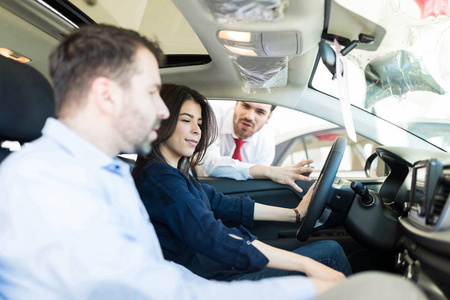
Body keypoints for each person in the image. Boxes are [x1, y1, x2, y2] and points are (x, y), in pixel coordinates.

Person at [0, 23, 335, 299]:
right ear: (106, 95)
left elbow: (159, 276)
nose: (162, 112)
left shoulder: (99, 174)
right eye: (150, 93)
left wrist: (295, 232)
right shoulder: (47, 186)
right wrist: (306, 286)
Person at [132, 84, 352, 283]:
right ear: (162, 120)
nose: (197, 130)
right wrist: (306, 264)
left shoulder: (176, 175)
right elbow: (212, 236)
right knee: (329, 255)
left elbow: (226, 205)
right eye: (186, 120)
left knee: (328, 250)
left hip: (218, 270)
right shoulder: (160, 180)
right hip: (210, 282)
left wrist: (295, 214)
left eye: (199, 123)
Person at [196, 100, 314, 193]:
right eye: (246, 106)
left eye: (260, 112)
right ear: (236, 104)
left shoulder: (266, 142)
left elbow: (252, 186)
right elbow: (207, 166)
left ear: (268, 118)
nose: (249, 116)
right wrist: (268, 171)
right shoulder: (212, 117)